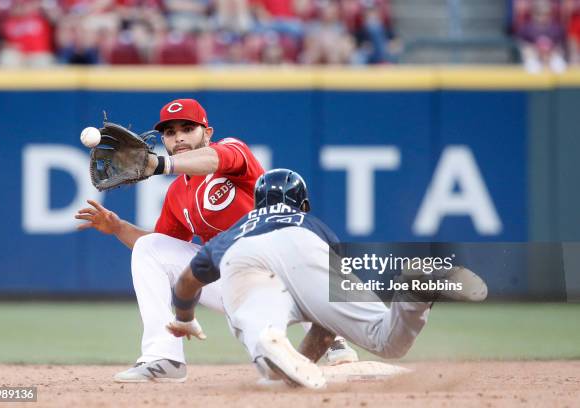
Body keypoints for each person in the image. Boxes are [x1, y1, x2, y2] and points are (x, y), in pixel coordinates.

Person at [75, 99, 357, 382]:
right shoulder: (176, 194)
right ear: (163, 139)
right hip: (234, 283)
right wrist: (118, 227)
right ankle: (163, 358)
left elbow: (214, 159)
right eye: (170, 133)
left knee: (292, 260)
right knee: (150, 248)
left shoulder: (233, 152)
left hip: (277, 274)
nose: (179, 137)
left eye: (188, 128)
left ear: (207, 133)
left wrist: (161, 163)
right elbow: (162, 251)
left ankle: (332, 339)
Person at [167, 168, 488, 388]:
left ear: (257, 204)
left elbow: (186, 282)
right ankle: (411, 292)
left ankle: (268, 336)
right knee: (386, 341)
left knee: (268, 355)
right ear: (303, 205)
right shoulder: (315, 225)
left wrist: (185, 318)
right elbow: (326, 327)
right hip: (305, 246)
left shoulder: (236, 230)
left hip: (242, 256)